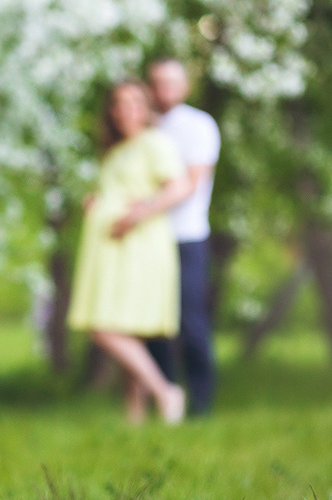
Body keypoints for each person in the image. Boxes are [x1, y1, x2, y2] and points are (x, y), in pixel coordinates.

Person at [67, 80, 191, 424]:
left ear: (147, 106)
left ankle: (165, 392)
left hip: (138, 245)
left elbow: (180, 186)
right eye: (119, 103)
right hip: (113, 250)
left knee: (104, 327)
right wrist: (97, 202)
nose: (126, 109)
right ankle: (134, 418)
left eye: (134, 101)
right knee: (127, 328)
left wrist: (139, 214)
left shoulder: (155, 142)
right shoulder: (117, 150)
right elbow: (118, 191)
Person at [146, 59, 220, 415]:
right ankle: (166, 397)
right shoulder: (145, 126)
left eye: (171, 82)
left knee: (191, 322)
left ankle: (201, 404)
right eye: (158, 82)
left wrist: (142, 210)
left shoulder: (198, 125)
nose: (164, 89)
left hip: (187, 237)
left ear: (185, 86)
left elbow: (192, 183)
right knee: (152, 323)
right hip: (149, 239)